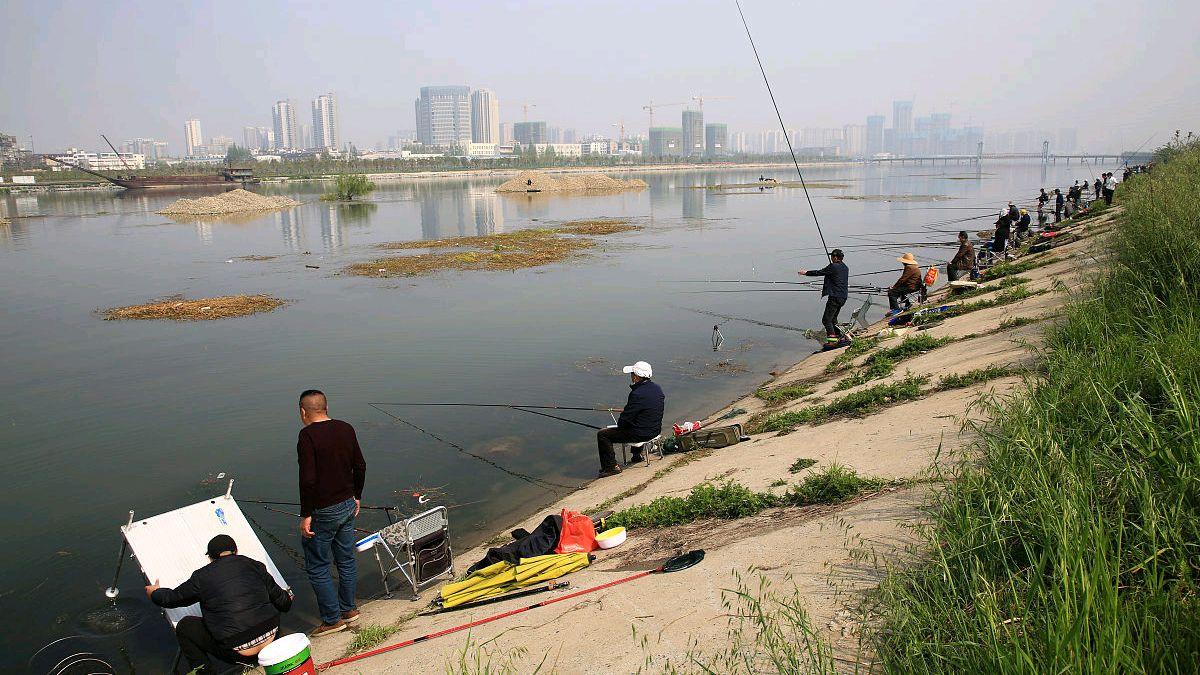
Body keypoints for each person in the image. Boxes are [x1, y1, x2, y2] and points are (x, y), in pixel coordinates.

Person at [146, 535, 293, 672]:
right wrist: (286, 596)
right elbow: (284, 604)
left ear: (210, 558)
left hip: (239, 654)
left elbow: (172, 598)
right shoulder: (255, 565)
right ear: (236, 551)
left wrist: (154, 593)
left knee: (185, 626)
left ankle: (204, 672)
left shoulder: (201, 577)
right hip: (272, 640)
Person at [296, 389, 367, 637]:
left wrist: (306, 514)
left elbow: (308, 480)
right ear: (325, 407)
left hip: (323, 510)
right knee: (346, 558)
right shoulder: (345, 428)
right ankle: (349, 609)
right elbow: (360, 465)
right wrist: (357, 495)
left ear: (303, 412)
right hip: (348, 503)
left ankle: (331, 619)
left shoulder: (307, 437)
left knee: (317, 565)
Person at [596, 361, 665, 477]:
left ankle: (611, 467)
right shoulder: (657, 388)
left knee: (603, 435)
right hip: (655, 429)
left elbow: (625, 420)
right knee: (638, 422)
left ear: (636, 377)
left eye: (632, 374)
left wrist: (620, 425)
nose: (631, 376)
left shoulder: (637, 394)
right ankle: (636, 456)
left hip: (643, 433)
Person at [798, 248, 850, 346]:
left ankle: (832, 341)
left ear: (835, 257)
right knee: (833, 319)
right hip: (843, 297)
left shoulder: (833, 267)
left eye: (832, 256)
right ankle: (838, 337)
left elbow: (820, 272)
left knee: (826, 320)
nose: (831, 258)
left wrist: (806, 273)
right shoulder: (845, 267)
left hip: (835, 297)